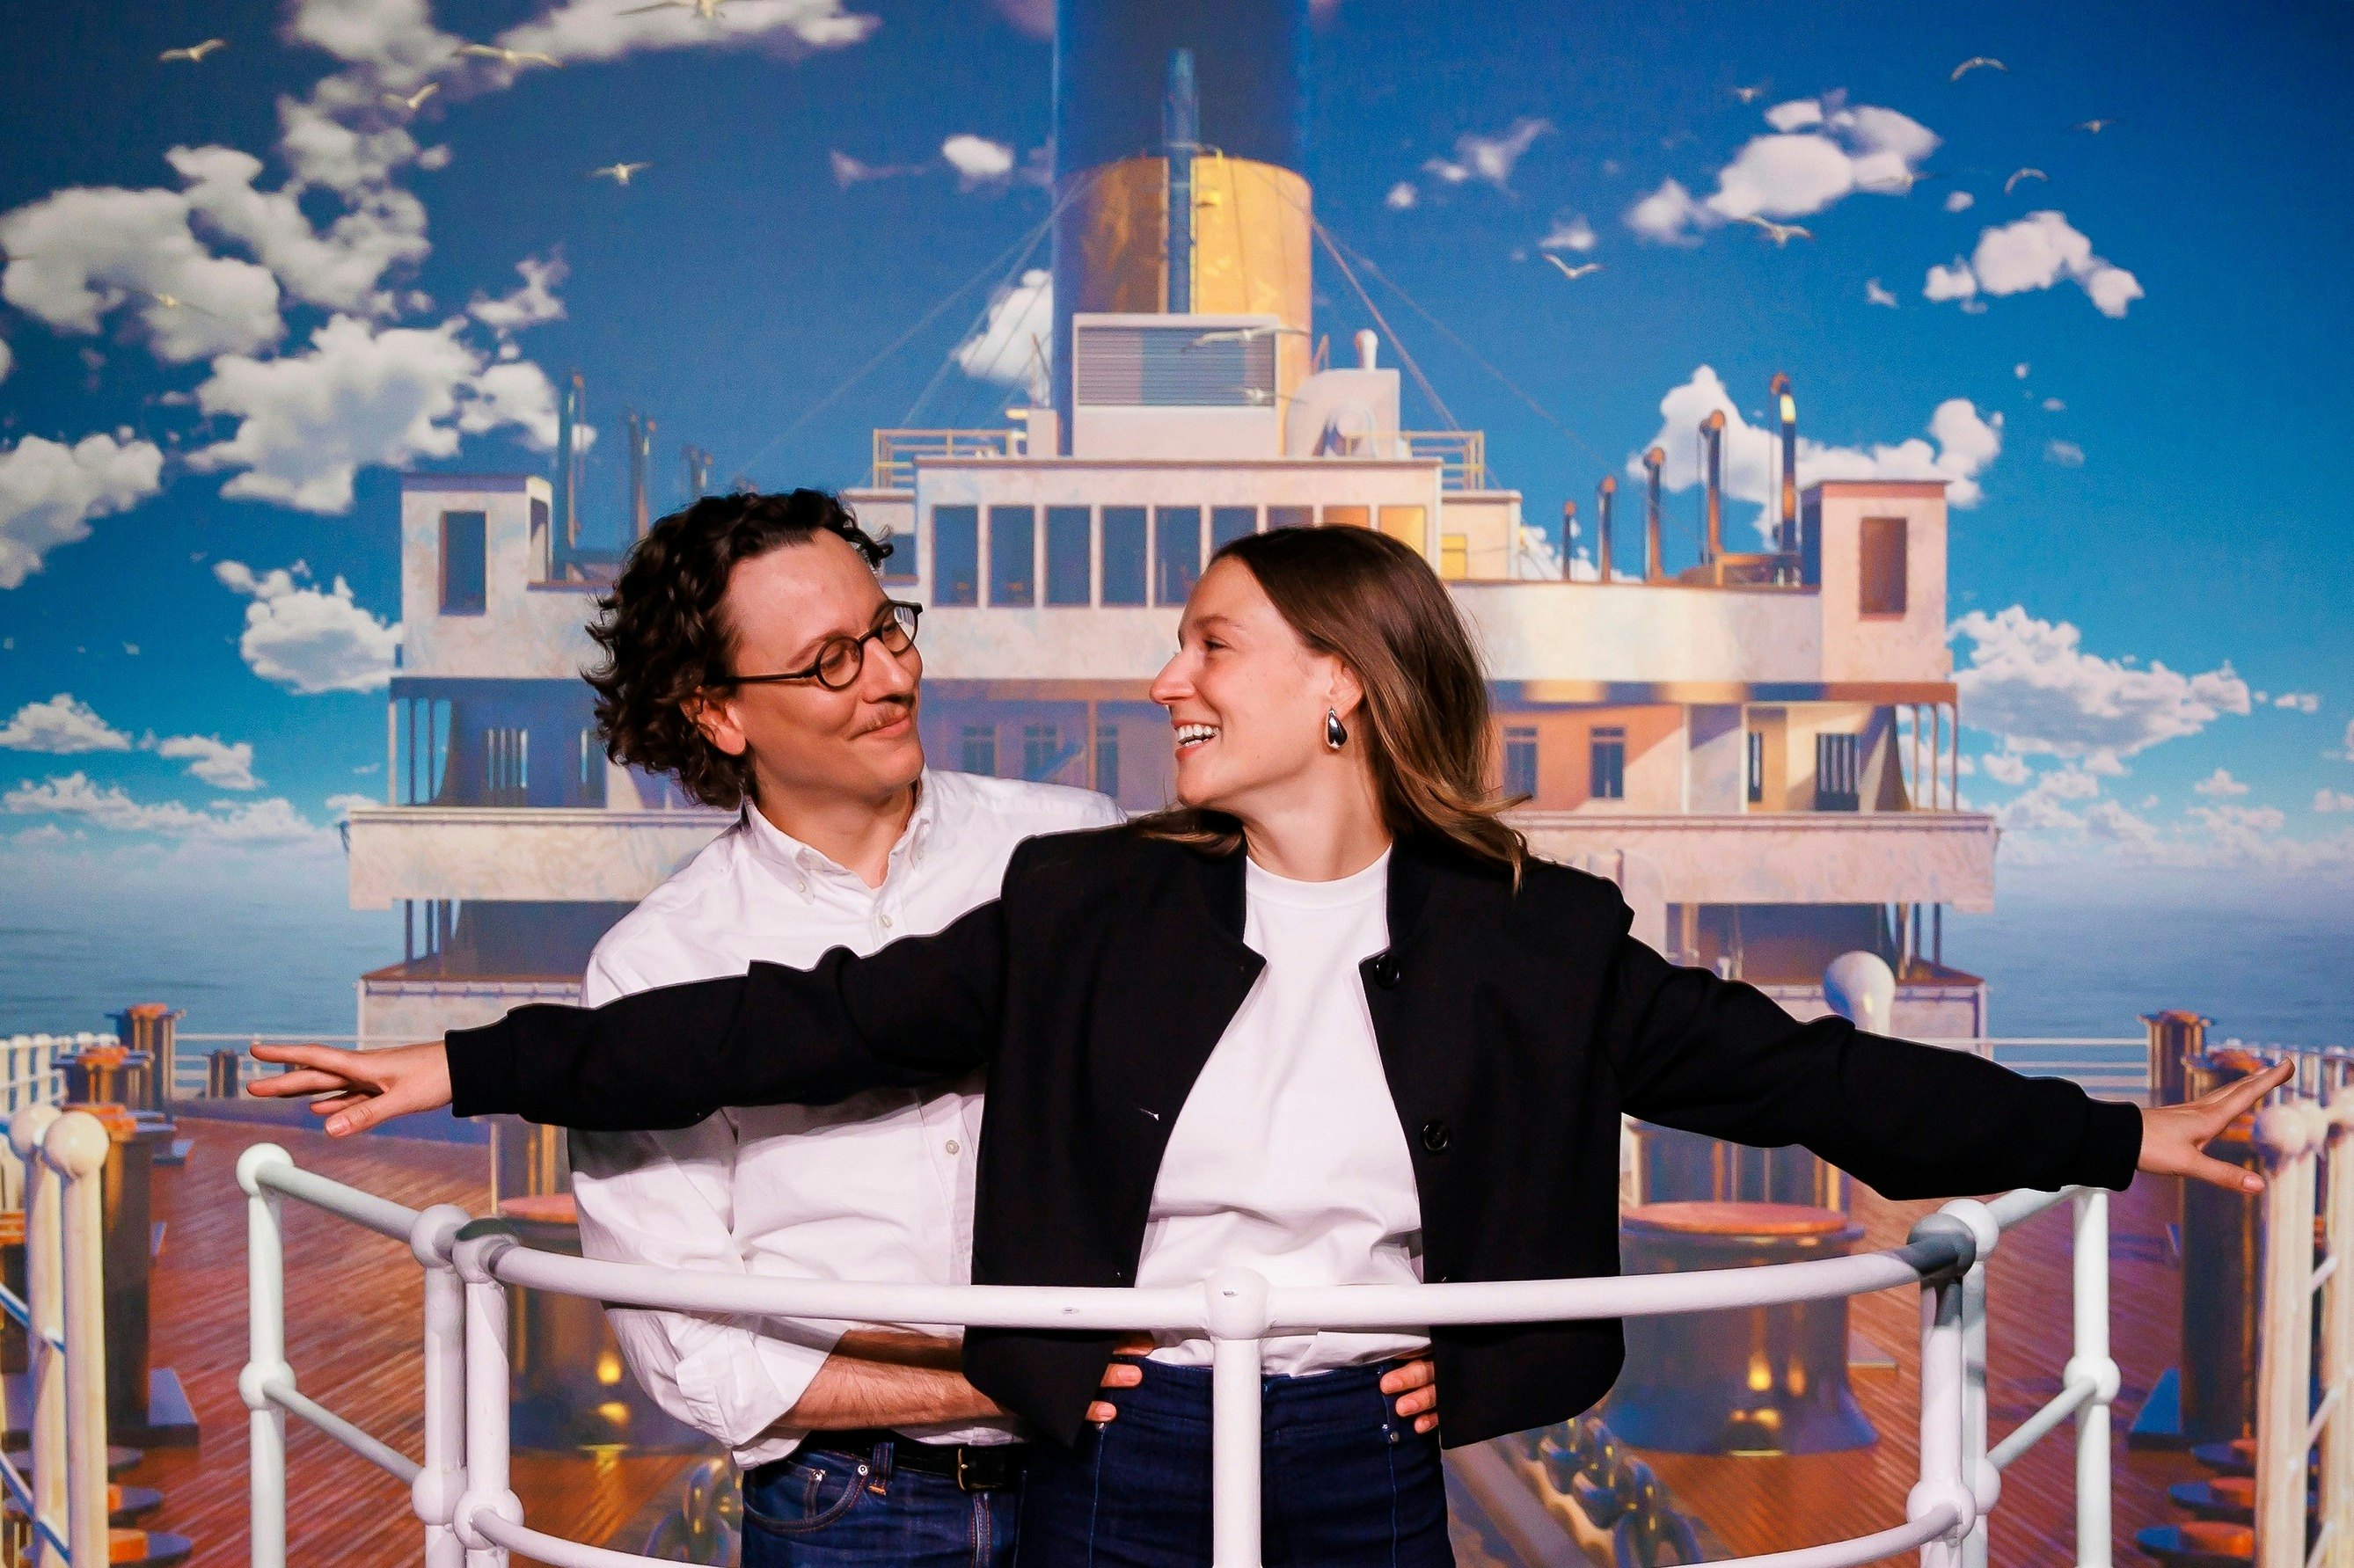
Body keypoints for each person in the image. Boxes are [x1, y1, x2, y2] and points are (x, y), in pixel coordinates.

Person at [258, 524, 2283, 1568]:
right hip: (1119, 1432)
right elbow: (803, 1020)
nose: (1167, 677)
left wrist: (2121, 1139)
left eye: (1210, 643)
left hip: (1360, 1446)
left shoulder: (1540, 938)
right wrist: (469, 1066)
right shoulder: (1089, 903)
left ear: (1341, 689)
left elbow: (1814, 1082)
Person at [558, 488, 1131, 1566]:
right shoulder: (655, 964)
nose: (891, 677)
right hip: (845, 1511)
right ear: (718, 714)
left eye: (887, 629)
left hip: (1112, 1474)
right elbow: (689, 1344)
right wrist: (1007, 1380)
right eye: (830, 661)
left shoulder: (1079, 845)